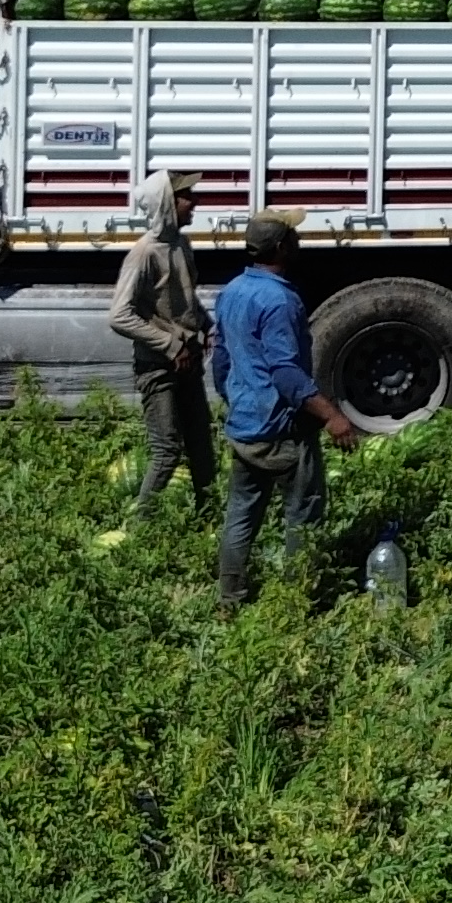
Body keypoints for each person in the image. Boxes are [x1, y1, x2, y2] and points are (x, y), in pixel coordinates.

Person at [210, 215, 362, 610]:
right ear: (281, 247)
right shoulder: (280, 300)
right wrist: (331, 416)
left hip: (245, 426)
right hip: (282, 430)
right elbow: (286, 372)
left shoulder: (233, 291)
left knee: (241, 515)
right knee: (303, 515)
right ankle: (298, 601)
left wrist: (236, 399)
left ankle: (230, 599)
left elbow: (222, 357)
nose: (298, 239)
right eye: (292, 235)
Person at [106, 175, 214, 509]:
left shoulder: (181, 244)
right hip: (159, 366)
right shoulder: (144, 254)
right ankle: (142, 530)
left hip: (187, 358)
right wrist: (169, 344)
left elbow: (184, 299)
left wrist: (206, 325)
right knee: (167, 450)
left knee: (201, 445)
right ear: (167, 203)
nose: (193, 202)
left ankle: (209, 516)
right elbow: (119, 315)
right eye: (185, 197)